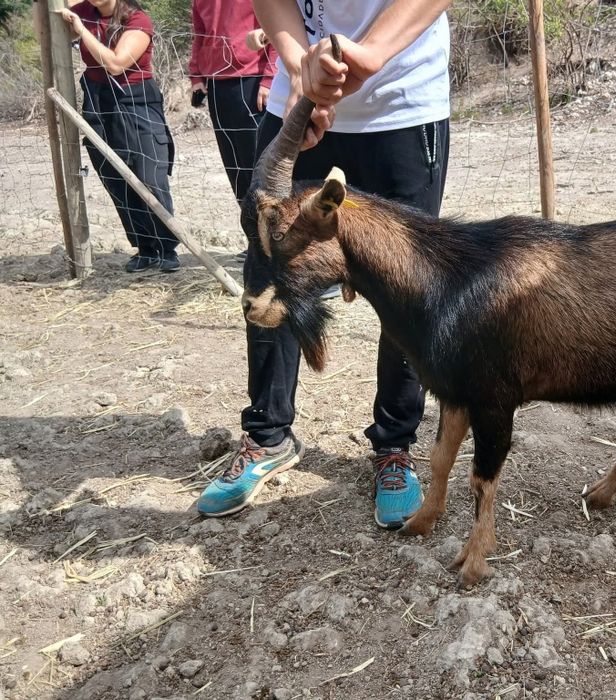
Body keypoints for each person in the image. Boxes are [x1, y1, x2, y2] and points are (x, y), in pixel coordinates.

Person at [196, 0, 451, 528]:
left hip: (402, 104)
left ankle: (395, 447)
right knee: (269, 265)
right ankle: (267, 435)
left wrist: (373, 53)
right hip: (300, 106)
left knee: (406, 286)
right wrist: (297, 67)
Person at [60, 0, 180, 273]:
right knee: (114, 178)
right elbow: (48, 22)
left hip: (135, 101)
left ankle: (167, 247)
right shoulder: (83, 12)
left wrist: (82, 31)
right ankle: (145, 248)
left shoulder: (137, 20)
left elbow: (116, 64)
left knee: (150, 176)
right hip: (98, 100)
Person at [189, 0, 276, 211]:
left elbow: (277, 25)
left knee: (259, 165)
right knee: (234, 166)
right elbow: (200, 32)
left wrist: (270, 77)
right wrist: (195, 74)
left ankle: (272, 235)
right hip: (216, 85)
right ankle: (252, 236)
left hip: (252, 81)